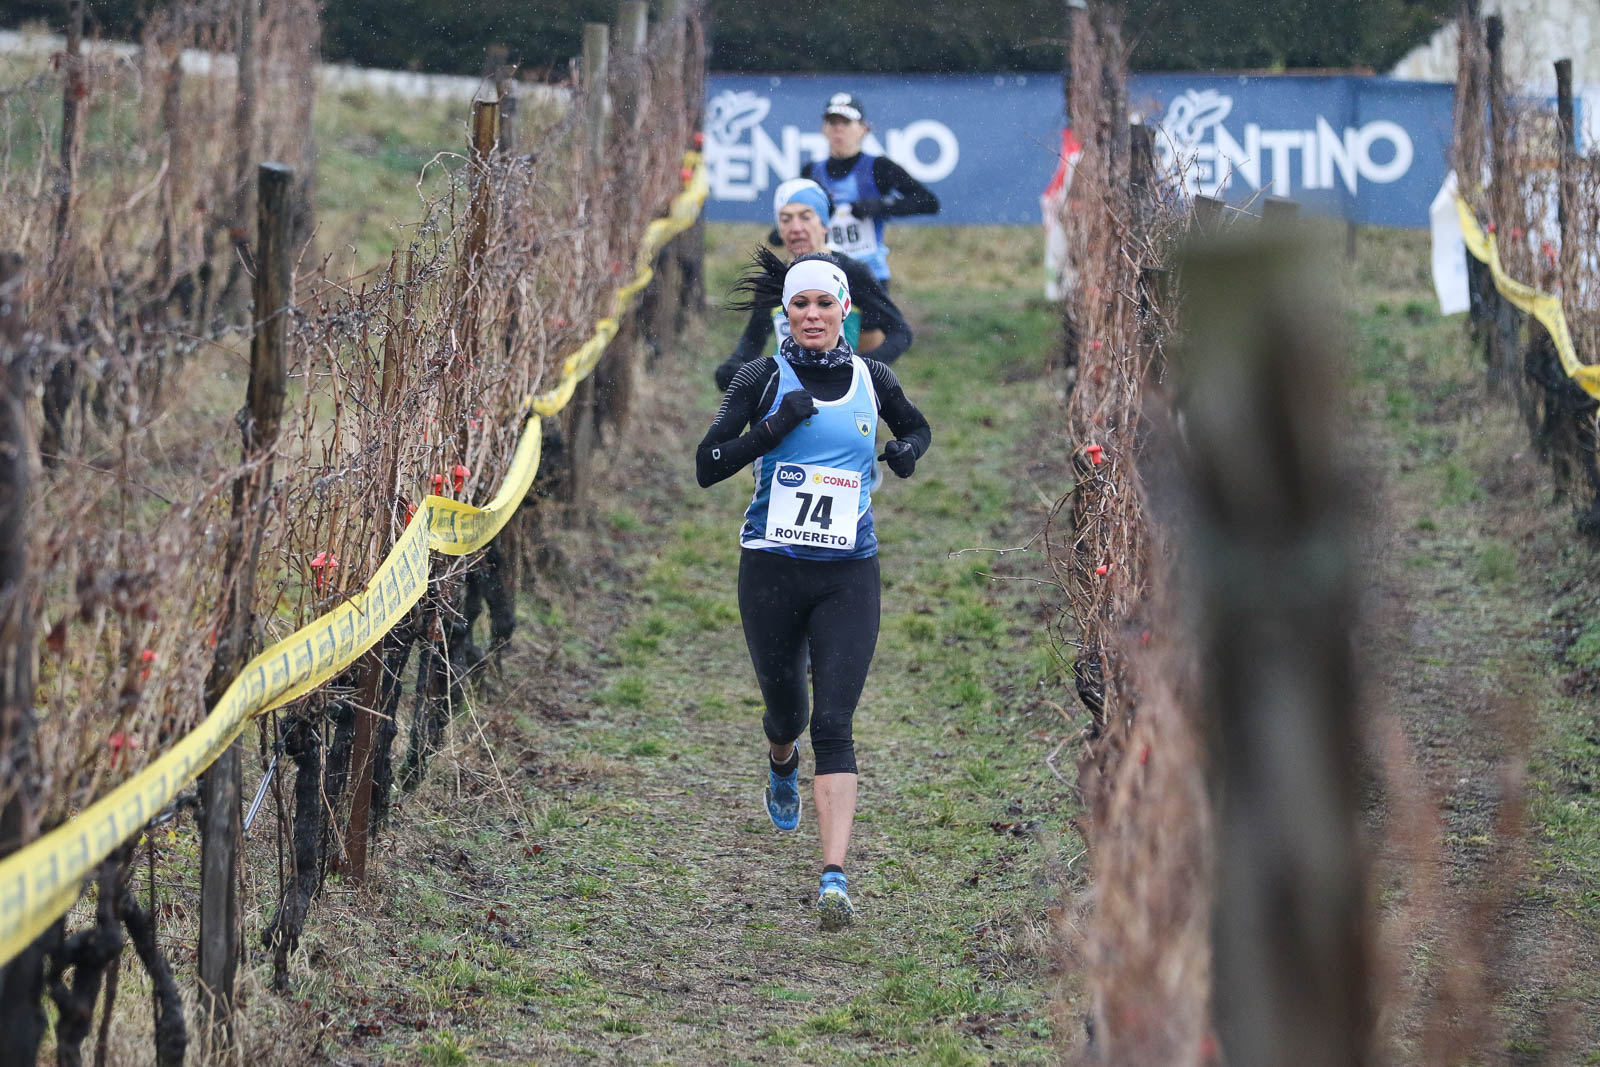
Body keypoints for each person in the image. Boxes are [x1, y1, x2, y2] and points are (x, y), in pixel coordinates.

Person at [696, 249, 932, 930]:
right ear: (786, 312)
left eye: (825, 303)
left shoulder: (873, 376)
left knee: (834, 721)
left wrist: (907, 453)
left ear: (844, 310)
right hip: (770, 569)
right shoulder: (762, 376)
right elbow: (709, 463)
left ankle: (833, 878)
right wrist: (773, 427)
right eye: (800, 303)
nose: (812, 315)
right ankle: (780, 759)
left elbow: (916, 427)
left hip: (848, 572)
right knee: (787, 713)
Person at [715, 178, 912, 392]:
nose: (796, 228)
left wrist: (860, 369)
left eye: (806, 217)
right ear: (779, 229)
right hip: (789, 396)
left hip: (841, 394)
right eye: (786, 219)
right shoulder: (773, 279)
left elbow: (901, 333)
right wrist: (733, 368)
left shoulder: (851, 273)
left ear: (824, 225)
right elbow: (752, 343)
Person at [801, 92, 940, 292]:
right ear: (824, 129)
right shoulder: (811, 172)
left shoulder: (879, 167)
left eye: (846, 122)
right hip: (825, 274)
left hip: (869, 277)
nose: (838, 128)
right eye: (832, 122)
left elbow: (928, 202)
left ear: (863, 129)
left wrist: (879, 205)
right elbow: (793, 215)